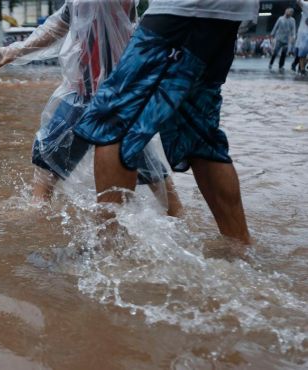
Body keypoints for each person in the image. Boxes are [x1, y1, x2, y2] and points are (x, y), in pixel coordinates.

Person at [74, 0, 259, 246]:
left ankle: (106, 248)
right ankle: (240, 249)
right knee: (199, 135)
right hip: (225, 14)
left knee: (114, 118)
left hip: (185, 11)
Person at [0, 0, 183, 216]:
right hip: (92, 91)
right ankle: (176, 215)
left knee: (141, 162)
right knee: (51, 158)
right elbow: (60, 24)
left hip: (107, 94)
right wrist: (13, 51)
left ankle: (38, 225)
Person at [292, 0, 308, 74]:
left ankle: (300, 67)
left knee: (302, 53)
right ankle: (300, 68)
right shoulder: (306, 5)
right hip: (304, 33)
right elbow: (298, 1)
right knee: (301, 52)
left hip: (303, 33)